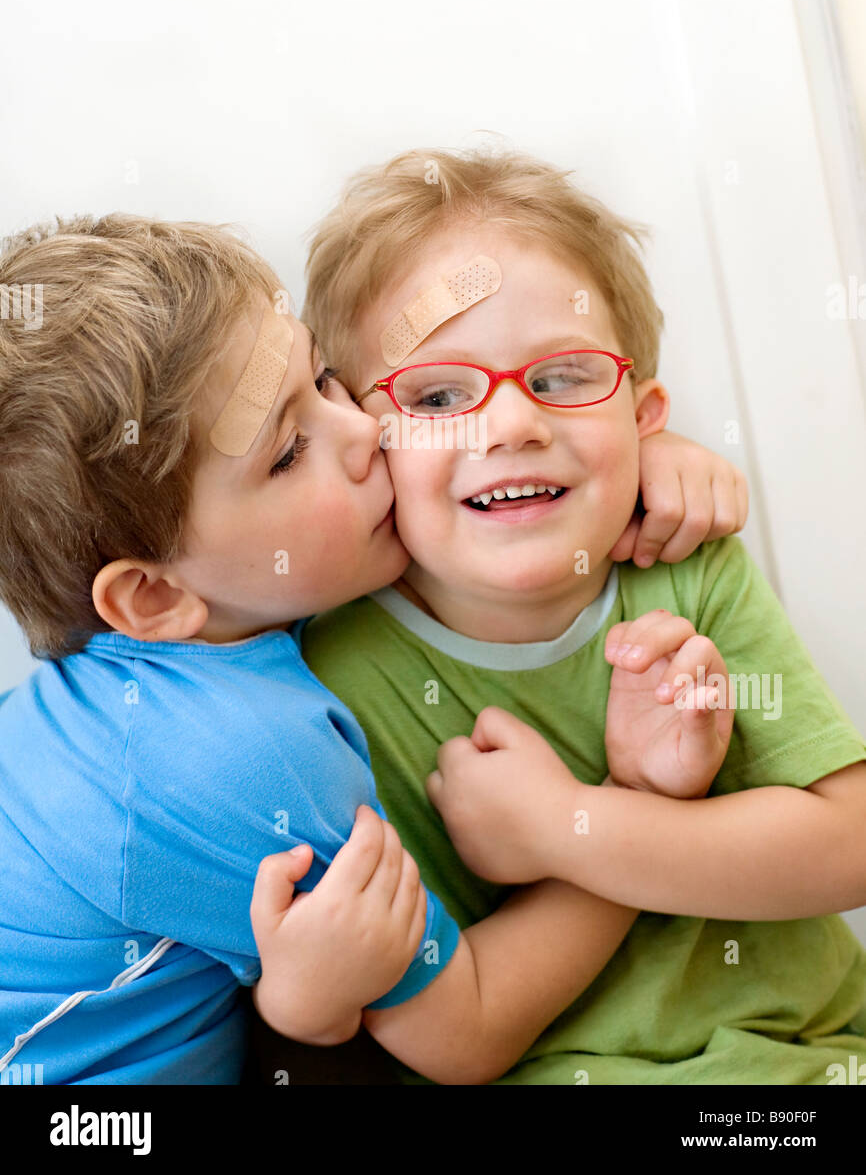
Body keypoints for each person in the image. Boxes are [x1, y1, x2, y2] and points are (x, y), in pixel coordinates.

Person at [0, 213, 744, 1084]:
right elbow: (463, 1028)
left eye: (322, 377)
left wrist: (627, 459)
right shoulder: (245, 757)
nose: (364, 431)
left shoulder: (191, 649)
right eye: (288, 453)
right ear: (156, 596)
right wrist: (625, 808)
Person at [263, 146, 866, 1084]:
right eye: (438, 396)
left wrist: (569, 826)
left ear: (643, 416)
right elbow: (452, 1033)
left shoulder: (689, 571)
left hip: (818, 1057)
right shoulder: (341, 675)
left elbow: (848, 846)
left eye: (563, 378)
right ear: (366, 443)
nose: (509, 426)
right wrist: (619, 811)